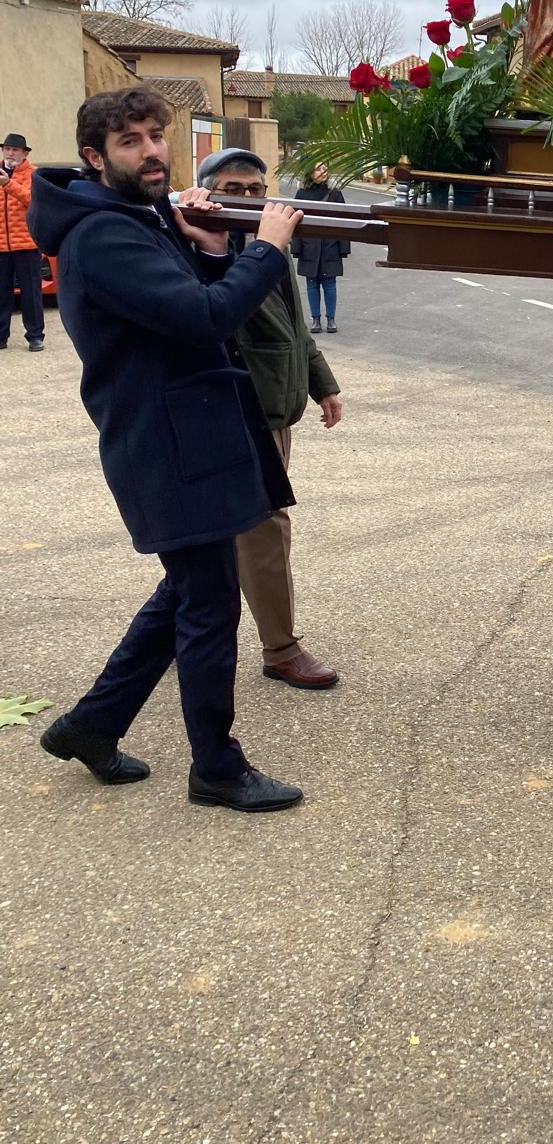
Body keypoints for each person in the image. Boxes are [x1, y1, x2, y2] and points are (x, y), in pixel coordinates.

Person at [28, 87, 306, 813]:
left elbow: (187, 307)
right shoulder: (102, 235)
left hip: (189, 433)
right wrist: (266, 250)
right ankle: (216, 767)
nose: (152, 151)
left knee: (186, 593)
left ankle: (91, 725)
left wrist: (212, 251)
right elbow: (205, 318)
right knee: (209, 605)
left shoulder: (134, 218)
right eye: (131, 142)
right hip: (166, 443)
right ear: (95, 158)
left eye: (157, 135)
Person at [198, 146, 341, 690]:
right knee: (261, 529)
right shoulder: (198, 243)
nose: (247, 201)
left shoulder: (268, 245)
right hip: (234, 409)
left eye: (256, 192)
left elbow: (295, 323)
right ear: (207, 189)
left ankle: (177, 629)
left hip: (276, 407)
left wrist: (321, 381)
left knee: (225, 530)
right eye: (232, 190)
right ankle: (281, 648)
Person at [0, 131, 45, 352]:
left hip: (27, 244)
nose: (10, 153)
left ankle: (35, 336)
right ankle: (0, 337)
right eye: (7, 149)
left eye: (15, 150)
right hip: (0, 246)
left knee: (31, 293)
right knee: (1, 293)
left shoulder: (34, 175)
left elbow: (33, 201)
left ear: (24, 153)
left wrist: (9, 184)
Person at [294, 163, 349, 333]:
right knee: (311, 283)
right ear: (310, 172)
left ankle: (331, 319)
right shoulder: (301, 194)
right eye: (318, 168)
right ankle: (315, 319)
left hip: (330, 245)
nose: (323, 172)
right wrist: (296, 247)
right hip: (309, 245)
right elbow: (296, 222)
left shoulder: (335, 194)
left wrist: (343, 247)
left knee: (330, 283)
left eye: (325, 168)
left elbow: (343, 222)